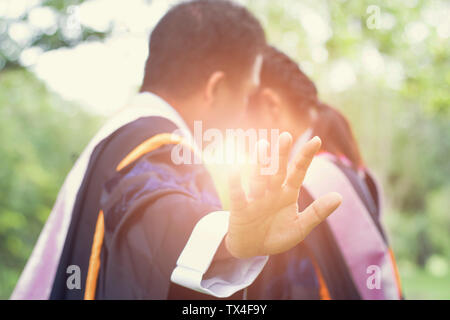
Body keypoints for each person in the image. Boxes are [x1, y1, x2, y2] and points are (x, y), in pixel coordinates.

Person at [11, 1, 341, 300]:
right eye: (246, 96)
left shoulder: (119, 136)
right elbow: (152, 205)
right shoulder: (156, 146)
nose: (245, 112)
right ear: (216, 88)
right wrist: (224, 241)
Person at [245, 45, 402, 299]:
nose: (246, 141)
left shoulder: (306, 187)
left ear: (271, 106)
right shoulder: (351, 170)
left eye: (244, 124)